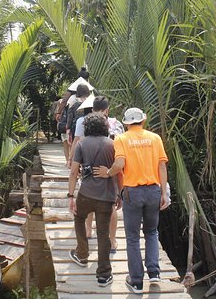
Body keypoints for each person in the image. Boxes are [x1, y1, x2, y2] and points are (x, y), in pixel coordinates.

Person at [94, 107, 169, 295]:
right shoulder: (155, 138)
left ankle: (136, 281)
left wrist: (107, 173)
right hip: (153, 190)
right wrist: (164, 194)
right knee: (152, 232)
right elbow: (161, 166)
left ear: (126, 123)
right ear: (143, 121)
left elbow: (119, 164)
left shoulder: (121, 139)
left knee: (133, 237)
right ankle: (154, 273)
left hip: (133, 193)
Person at [67, 113, 123, 288]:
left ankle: (82, 253)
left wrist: (70, 196)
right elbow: (119, 170)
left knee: (78, 218)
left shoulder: (82, 144)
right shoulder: (113, 144)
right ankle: (104, 274)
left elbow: (74, 172)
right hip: (106, 197)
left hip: (86, 194)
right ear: (105, 127)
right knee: (103, 234)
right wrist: (119, 194)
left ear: (87, 127)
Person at [70, 96, 122, 250]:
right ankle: (112, 241)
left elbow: (78, 140)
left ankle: (87, 231)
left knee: (88, 201)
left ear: (92, 108)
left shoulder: (85, 121)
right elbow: (121, 153)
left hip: (89, 169)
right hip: (109, 170)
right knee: (111, 207)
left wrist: (71, 159)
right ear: (107, 109)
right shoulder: (116, 124)